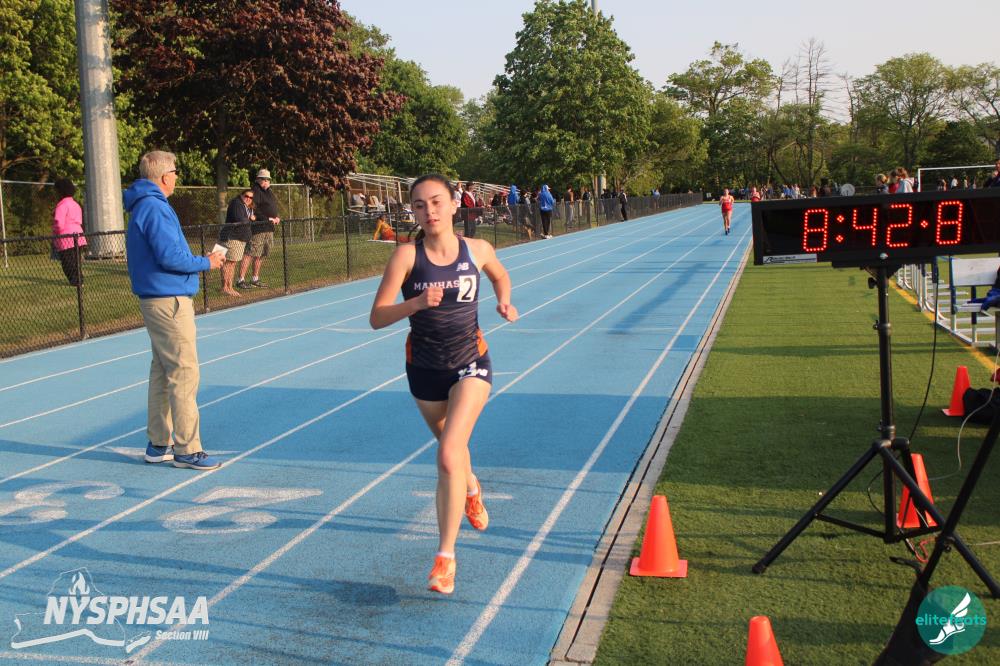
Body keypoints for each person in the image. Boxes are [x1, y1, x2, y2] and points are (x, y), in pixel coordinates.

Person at [369, 174, 518, 595]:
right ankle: (471, 486)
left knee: (450, 454)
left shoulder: (477, 249)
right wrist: (415, 303)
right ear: (413, 212)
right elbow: (377, 317)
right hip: (425, 370)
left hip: (471, 362)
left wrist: (503, 300)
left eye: (436, 202)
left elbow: (500, 275)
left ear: (454, 204)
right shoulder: (406, 257)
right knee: (452, 453)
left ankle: (445, 558)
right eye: (419, 205)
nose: (429, 211)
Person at [124, 150, 225, 470]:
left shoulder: (143, 205)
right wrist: (206, 262)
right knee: (183, 372)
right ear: (165, 176)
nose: (178, 177)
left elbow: (166, 252)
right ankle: (187, 448)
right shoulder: (155, 207)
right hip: (168, 300)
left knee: (162, 372)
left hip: (157, 298)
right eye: (176, 172)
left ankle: (159, 443)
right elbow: (170, 257)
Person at [239, 169, 281, 289]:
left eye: (268, 179)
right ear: (258, 179)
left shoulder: (268, 191)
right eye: (264, 179)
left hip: (269, 228)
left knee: (261, 254)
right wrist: (267, 219)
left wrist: (276, 217)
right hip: (258, 228)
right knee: (250, 253)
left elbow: (271, 207)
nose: (266, 181)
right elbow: (254, 209)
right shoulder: (255, 191)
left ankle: (255, 279)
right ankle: (241, 280)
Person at [52, 178, 87, 286]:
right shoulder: (76, 204)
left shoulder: (61, 205)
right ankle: (79, 279)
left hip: (66, 238)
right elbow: (80, 220)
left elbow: (59, 223)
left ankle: (76, 281)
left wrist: (54, 232)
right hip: (79, 236)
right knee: (76, 261)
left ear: (60, 191)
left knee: (67, 262)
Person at [220, 188, 254, 297]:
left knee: (232, 263)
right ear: (241, 195)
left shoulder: (245, 206)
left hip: (239, 239)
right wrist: (250, 218)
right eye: (246, 196)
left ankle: (229, 287)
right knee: (228, 262)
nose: (248, 198)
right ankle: (226, 288)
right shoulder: (236, 203)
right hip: (231, 237)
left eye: (251, 197)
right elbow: (240, 219)